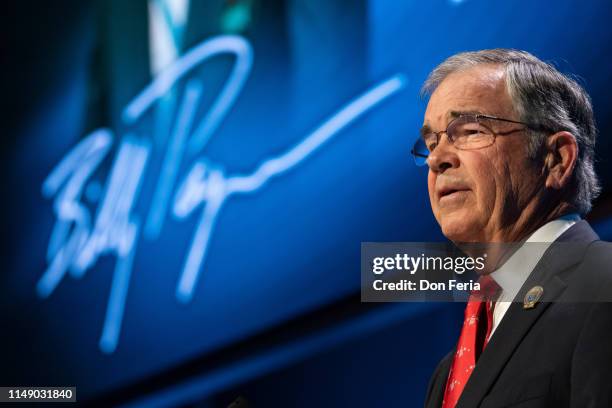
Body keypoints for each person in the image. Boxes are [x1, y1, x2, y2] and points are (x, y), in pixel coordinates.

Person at [412, 49, 612, 408]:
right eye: (431, 143)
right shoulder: (448, 372)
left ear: (556, 159)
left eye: (469, 131)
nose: (438, 159)